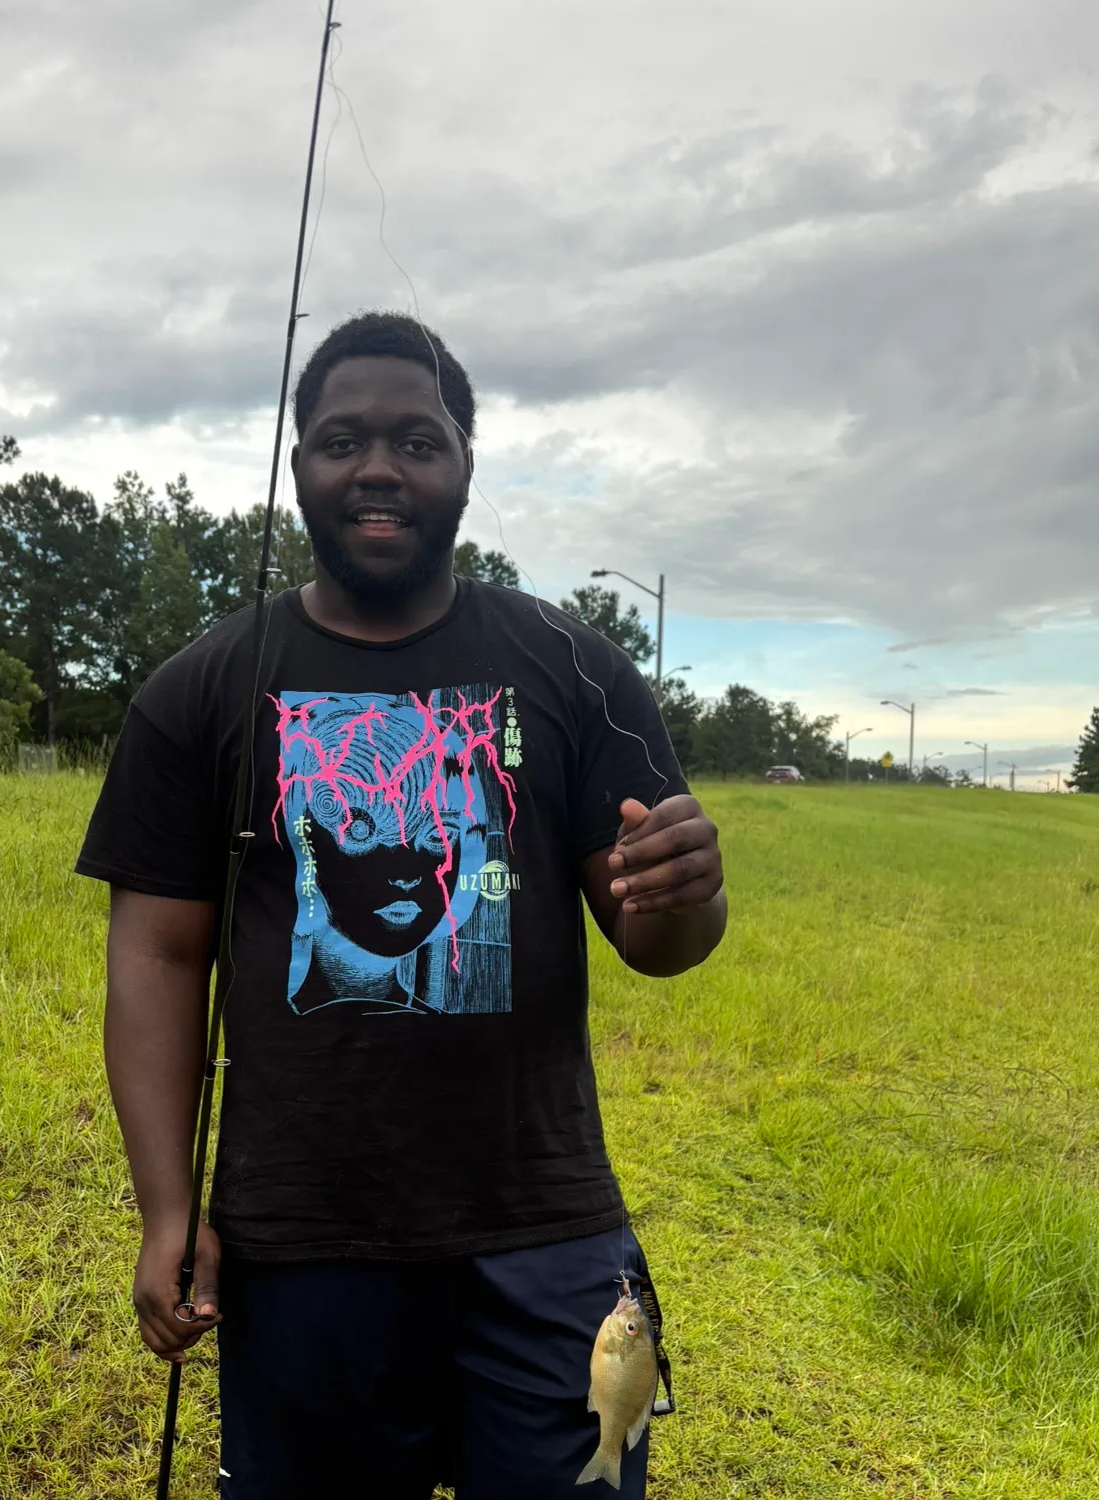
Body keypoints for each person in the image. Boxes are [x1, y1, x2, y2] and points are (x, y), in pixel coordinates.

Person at [75, 311, 727, 1499]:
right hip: (298, 1237)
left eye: (418, 439)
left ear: (467, 465)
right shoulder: (201, 690)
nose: (378, 466)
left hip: (544, 1224)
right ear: (299, 469)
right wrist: (167, 1208)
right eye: (342, 440)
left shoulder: (572, 667)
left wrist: (689, 893)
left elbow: (657, 939)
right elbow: (161, 962)